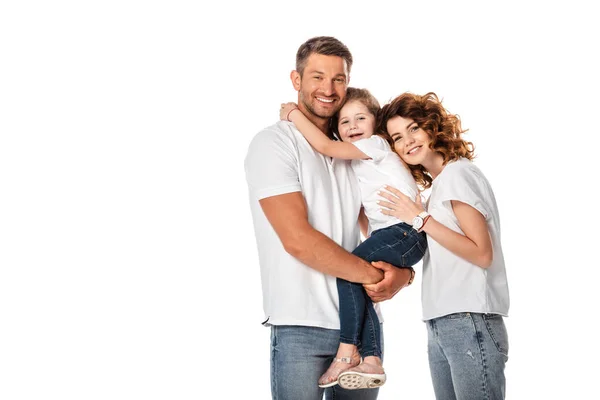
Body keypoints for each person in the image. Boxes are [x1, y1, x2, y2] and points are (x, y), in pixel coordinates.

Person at [244, 36, 413, 400]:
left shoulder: (354, 151)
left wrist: (403, 274)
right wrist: (373, 277)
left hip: (364, 324)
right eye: (317, 77)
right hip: (301, 325)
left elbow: (378, 226)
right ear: (296, 80)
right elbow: (298, 240)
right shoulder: (273, 144)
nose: (328, 89)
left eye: (339, 79)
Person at [279, 87, 427, 390]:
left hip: (405, 232)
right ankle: (371, 360)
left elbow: (323, 145)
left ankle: (347, 351)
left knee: (348, 269)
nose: (353, 126)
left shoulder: (376, 145)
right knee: (359, 277)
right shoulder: (361, 164)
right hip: (396, 234)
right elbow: (363, 213)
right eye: (344, 123)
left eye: (360, 118)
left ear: (376, 124)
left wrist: (292, 114)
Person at [377, 92, 510, 399]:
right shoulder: (437, 188)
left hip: (470, 319)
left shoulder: (458, 174)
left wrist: (420, 219)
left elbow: (482, 253)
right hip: (442, 321)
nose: (407, 141)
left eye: (413, 128)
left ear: (430, 126)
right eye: (397, 137)